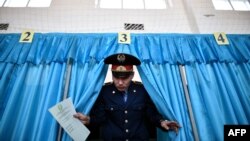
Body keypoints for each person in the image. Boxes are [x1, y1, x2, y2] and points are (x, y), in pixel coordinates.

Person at [74, 53, 181, 141]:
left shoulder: (142, 90)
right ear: (112, 74)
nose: (120, 82)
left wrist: (162, 122)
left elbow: (151, 114)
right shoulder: (104, 91)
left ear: (132, 75)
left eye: (125, 78)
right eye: (116, 77)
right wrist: (88, 120)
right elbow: (99, 117)